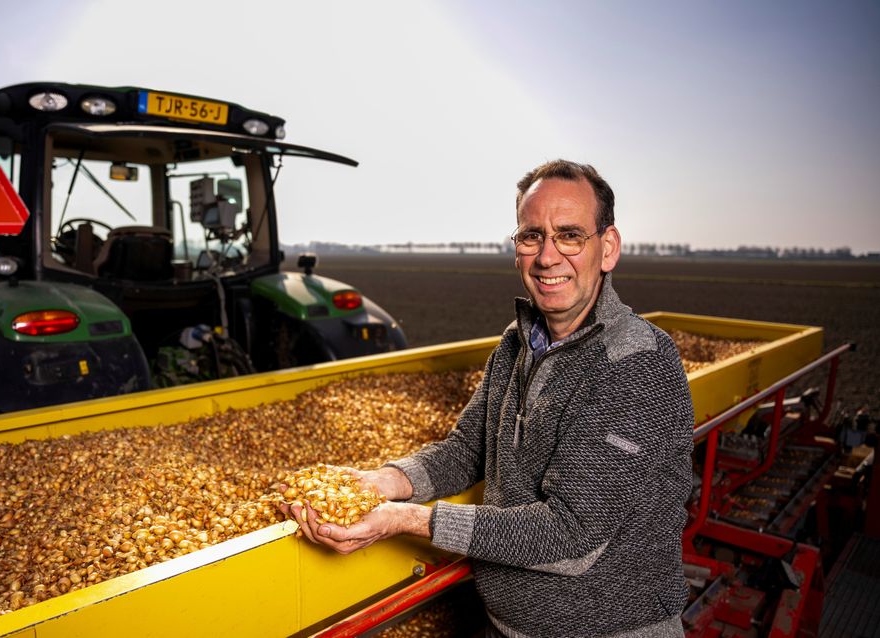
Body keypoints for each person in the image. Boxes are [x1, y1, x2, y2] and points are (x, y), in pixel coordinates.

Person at [281, 160, 694, 637]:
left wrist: (404, 518)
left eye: (570, 235)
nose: (548, 256)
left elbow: (570, 534)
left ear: (608, 248)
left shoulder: (636, 362)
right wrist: (382, 482)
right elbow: (466, 450)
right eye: (531, 235)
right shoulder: (516, 344)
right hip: (506, 625)